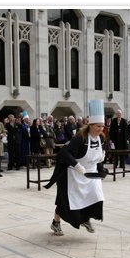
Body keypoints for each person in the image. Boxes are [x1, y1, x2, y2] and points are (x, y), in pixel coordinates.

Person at [44, 100, 107, 236]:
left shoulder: (101, 138)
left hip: (91, 174)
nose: (101, 129)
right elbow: (65, 153)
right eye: (98, 126)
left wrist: (101, 161)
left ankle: (85, 219)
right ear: (90, 125)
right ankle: (56, 223)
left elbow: (97, 156)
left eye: (102, 126)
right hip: (73, 174)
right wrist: (77, 165)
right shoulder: (80, 137)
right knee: (66, 201)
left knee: (96, 196)